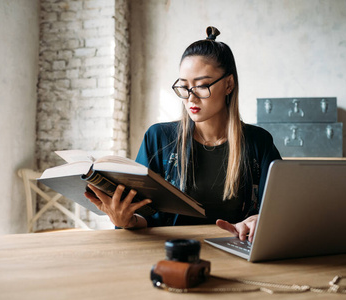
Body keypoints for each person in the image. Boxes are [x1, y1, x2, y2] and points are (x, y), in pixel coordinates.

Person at [85, 26, 281, 242]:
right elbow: (146, 218)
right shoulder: (159, 138)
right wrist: (126, 220)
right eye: (184, 86)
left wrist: (258, 219)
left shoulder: (258, 142)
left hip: (240, 254)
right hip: (171, 254)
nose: (191, 98)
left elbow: (281, 213)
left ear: (229, 84)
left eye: (202, 85)